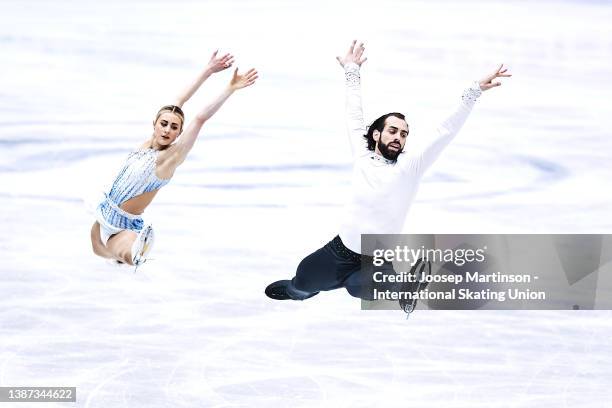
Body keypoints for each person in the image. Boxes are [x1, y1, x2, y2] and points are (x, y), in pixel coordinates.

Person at [265, 40, 511, 311]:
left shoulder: (411, 166)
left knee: (360, 287)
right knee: (303, 278)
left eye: (404, 134)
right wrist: (351, 70)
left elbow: (445, 131)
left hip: (376, 260)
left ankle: (405, 286)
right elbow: (353, 111)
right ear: (376, 134)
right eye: (393, 131)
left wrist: (474, 91)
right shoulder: (362, 154)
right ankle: (298, 292)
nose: (399, 137)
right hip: (340, 251)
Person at [90, 50, 258, 267]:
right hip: (103, 214)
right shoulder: (145, 145)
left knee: (123, 251)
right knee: (100, 250)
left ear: (179, 133)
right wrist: (207, 70)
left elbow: (200, 118)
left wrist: (229, 88)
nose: (168, 130)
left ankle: (134, 252)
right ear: (155, 123)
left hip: (124, 226)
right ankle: (121, 257)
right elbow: (179, 99)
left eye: (175, 127)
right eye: (164, 124)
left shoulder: (169, 158)